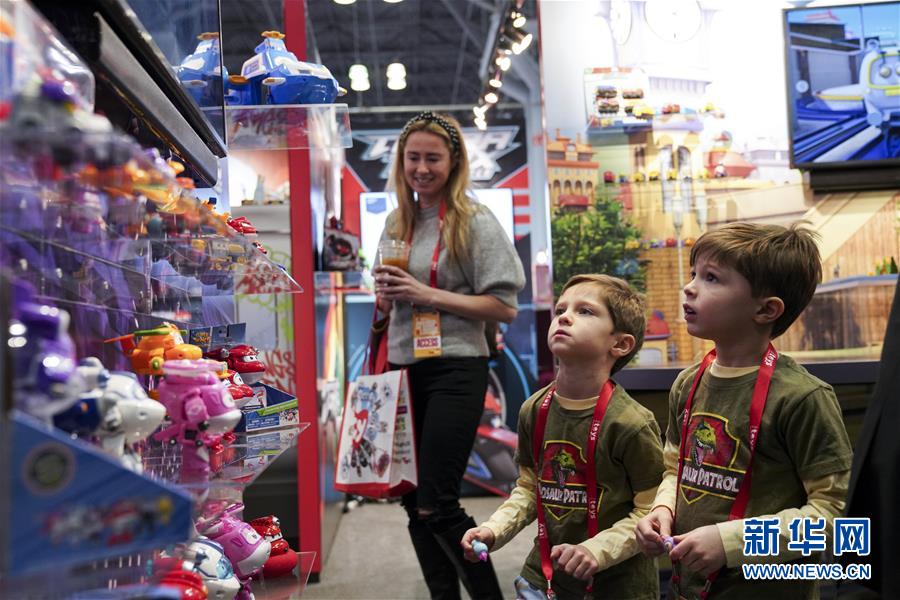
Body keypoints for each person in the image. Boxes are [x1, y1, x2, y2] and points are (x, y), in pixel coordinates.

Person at [634, 222, 853, 599]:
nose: (689, 287)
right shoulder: (688, 384)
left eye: (712, 278)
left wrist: (732, 542)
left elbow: (834, 516)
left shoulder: (802, 397)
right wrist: (662, 509)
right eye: (693, 274)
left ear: (766, 309)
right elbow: (675, 469)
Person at [373, 111, 525, 599]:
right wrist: (385, 300)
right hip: (404, 369)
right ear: (401, 162)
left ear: (453, 163)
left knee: (438, 504)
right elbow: (390, 300)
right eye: (413, 157)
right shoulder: (397, 221)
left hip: (456, 367)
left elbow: (503, 306)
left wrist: (426, 294)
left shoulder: (474, 221)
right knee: (414, 501)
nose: (422, 168)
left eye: (433, 158)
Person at [461, 274, 664, 600]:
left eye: (585, 311)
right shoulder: (534, 409)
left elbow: (649, 512)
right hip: (543, 579)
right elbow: (530, 488)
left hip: (616, 587)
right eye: (560, 310)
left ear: (620, 344)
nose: (564, 317)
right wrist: (494, 529)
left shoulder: (631, 423)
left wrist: (596, 550)